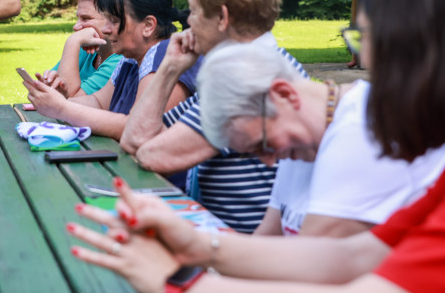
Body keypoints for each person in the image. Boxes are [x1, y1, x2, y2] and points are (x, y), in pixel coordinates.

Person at [68, 0, 445, 293]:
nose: (370, 69)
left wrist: (175, 282)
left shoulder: (351, 121)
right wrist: (198, 247)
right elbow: (353, 256)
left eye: (374, 43)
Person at [119, 0, 301, 232]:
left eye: (193, 10)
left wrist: (167, 70)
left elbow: (150, 154)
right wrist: (169, 68)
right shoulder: (257, 63)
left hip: (239, 246)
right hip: (222, 235)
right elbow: (136, 137)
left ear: (222, 17)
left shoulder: (246, 78)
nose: (187, 21)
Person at [184, 42, 445, 237]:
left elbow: (307, 261)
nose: (267, 161)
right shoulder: (304, 139)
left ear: (284, 95)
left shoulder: (362, 131)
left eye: (263, 145)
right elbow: (269, 238)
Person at [23, 0, 198, 146]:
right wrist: (56, 100)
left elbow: (138, 129)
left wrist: (62, 108)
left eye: (114, 21)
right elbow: (98, 102)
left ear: (148, 26)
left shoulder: (165, 57)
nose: (106, 30)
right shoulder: (131, 59)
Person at [40, 0, 121, 98]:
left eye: (86, 18)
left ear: (114, 19)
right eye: (77, 18)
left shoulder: (121, 61)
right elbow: (45, 90)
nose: (76, 26)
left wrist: (72, 42)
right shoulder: (89, 51)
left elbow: (69, 102)